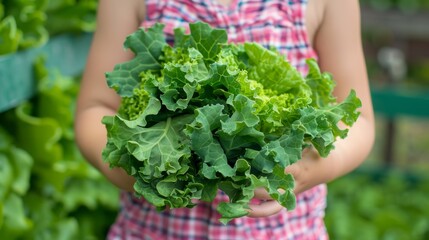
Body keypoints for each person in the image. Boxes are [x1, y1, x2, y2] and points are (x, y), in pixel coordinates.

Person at [75, 0, 375, 239]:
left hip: (287, 232)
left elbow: (356, 119)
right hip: (152, 230)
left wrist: (311, 168)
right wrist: (132, 168)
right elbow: (96, 107)